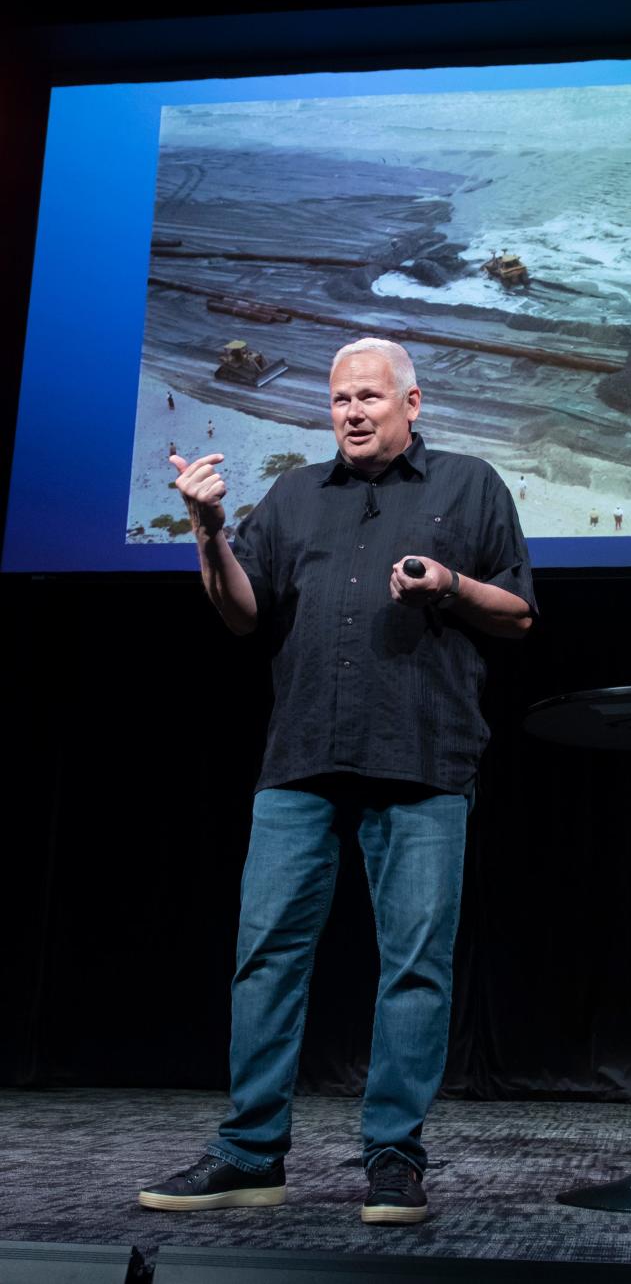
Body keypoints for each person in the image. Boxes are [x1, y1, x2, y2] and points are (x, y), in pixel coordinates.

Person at [138, 338, 535, 1224]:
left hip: (424, 756)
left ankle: (394, 1157)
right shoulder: (291, 496)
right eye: (339, 399)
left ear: (412, 404)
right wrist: (206, 527)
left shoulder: (470, 486)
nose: (352, 411)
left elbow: (518, 612)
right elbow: (242, 614)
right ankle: (250, 1153)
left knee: (416, 969)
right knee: (266, 955)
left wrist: (450, 584)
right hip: (301, 760)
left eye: (369, 397)